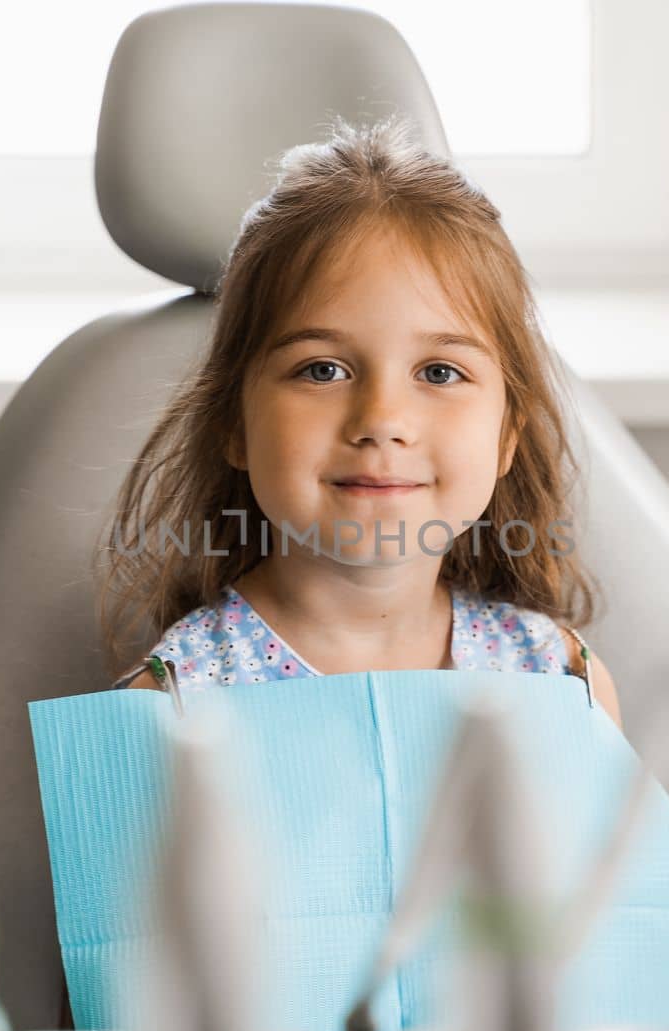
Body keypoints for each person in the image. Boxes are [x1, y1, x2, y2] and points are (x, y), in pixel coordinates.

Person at [94, 113, 620, 731]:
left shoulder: (560, 681)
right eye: (322, 370)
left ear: (507, 436)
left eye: (440, 373)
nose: (382, 421)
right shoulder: (168, 712)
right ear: (233, 422)